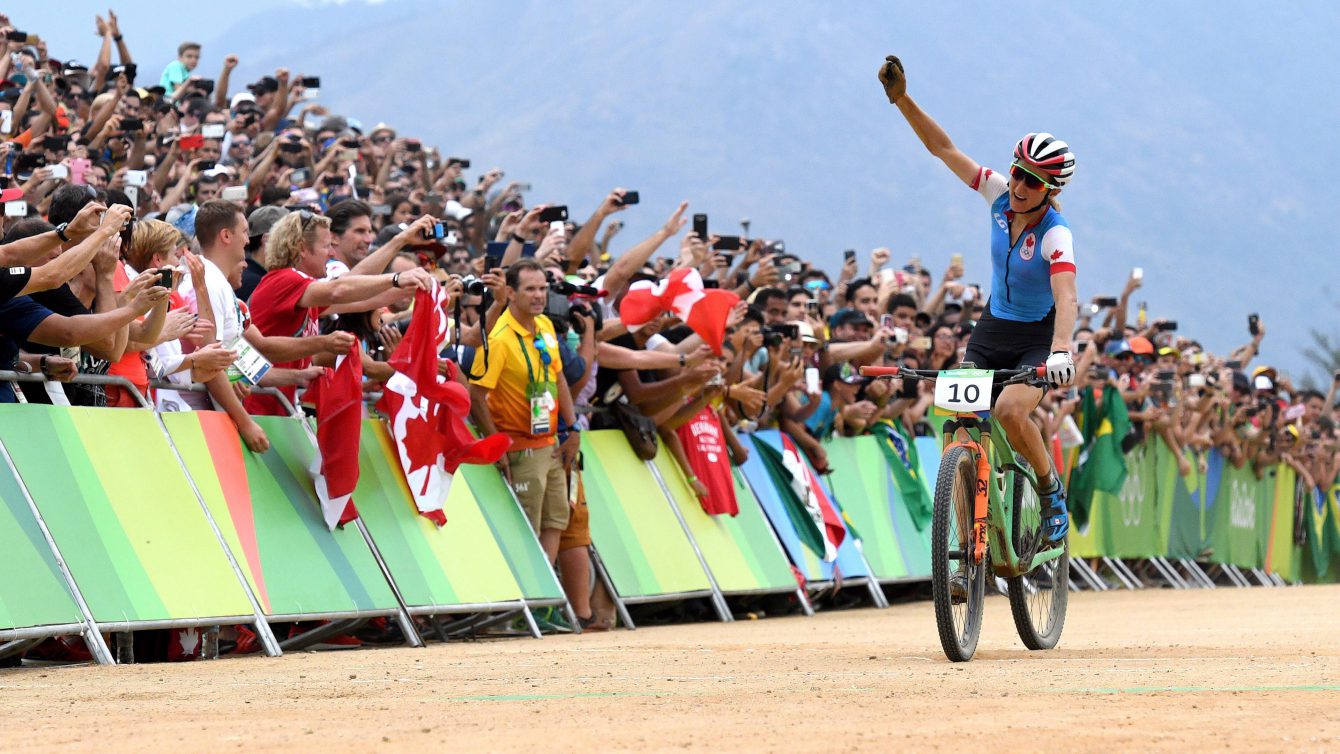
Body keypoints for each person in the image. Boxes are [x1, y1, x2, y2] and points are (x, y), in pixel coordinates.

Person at [879, 54, 1078, 544]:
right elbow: (943, 148)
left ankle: (1051, 492)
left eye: (1031, 181)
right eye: (1016, 172)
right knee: (963, 424)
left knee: (1011, 411)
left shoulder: (1056, 236)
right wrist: (902, 99)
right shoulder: (996, 195)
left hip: (1037, 336)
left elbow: (1067, 297)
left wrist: (1061, 351)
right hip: (992, 329)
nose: (1017, 185)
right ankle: (969, 547)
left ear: (1049, 191)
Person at [468, 258, 581, 563]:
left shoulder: (544, 324)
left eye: (543, 288)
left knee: (555, 521)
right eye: (530, 289)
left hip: (551, 443)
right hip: (520, 448)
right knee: (525, 529)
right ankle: (528, 600)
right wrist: (497, 447)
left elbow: (557, 376)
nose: (539, 295)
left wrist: (573, 428)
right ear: (511, 293)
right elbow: (475, 395)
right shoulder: (499, 339)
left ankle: (545, 604)